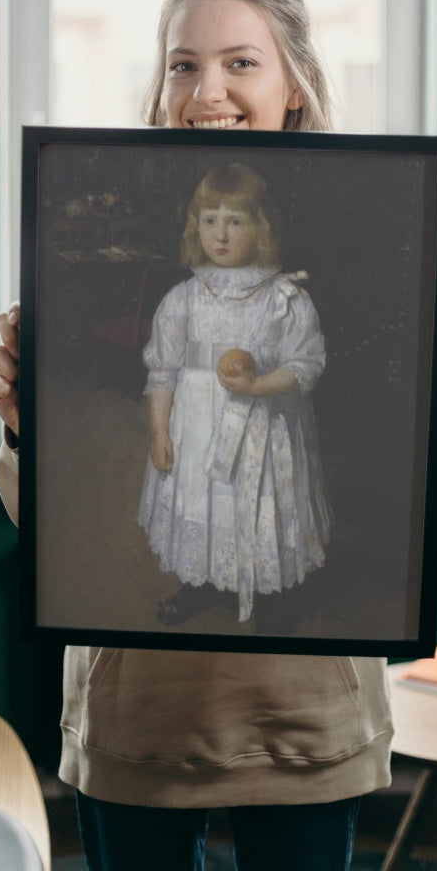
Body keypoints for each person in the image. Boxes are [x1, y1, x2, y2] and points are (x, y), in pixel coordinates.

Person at [0, 0, 437, 871]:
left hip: (302, 719)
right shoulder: (156, 283)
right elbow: (41, 518)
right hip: (139, 718)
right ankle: (206, 581)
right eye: (182, 63)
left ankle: (266, 589)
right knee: (200, 522)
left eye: (240, 62)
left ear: (294, 82)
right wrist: (26, 427)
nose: (205, 88)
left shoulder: (360, 227)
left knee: (264, 515)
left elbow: (330, 381)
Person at [138, 161, 332, 627]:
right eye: (210, 221)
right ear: (196, 227)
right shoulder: (183, 298)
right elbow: (162, 371)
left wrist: (258, 385)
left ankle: (269, 591)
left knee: (262, 502)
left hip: (265, 430)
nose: (220, 235)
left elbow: (307, 365)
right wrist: (159, 431)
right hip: (198, 429)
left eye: (235, 221)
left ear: (260, 227)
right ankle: (200, 580)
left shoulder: (283, 297)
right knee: (204, 499)